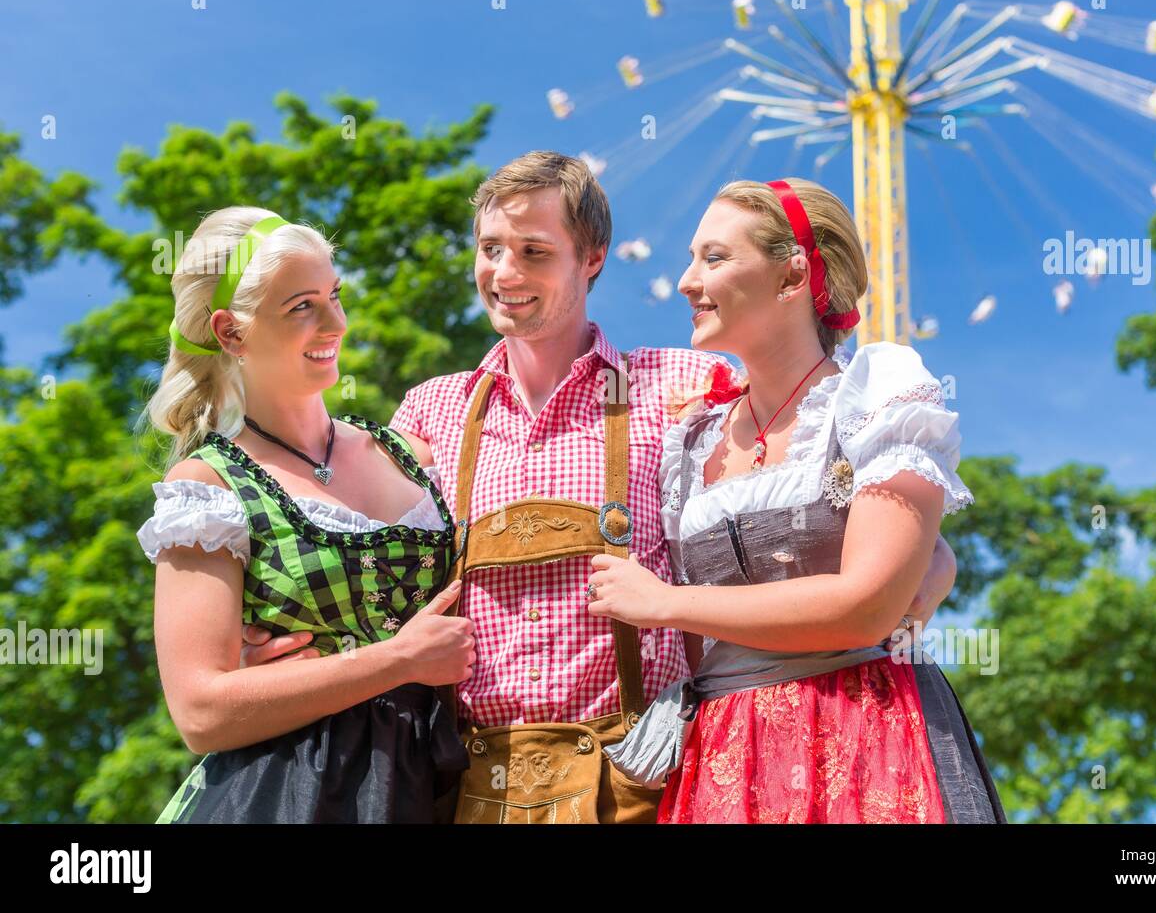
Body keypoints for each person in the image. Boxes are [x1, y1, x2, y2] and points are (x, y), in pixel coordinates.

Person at [243, 152, 958, 824]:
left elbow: (828, 482)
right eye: (490, 248)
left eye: (534, 252)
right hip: (468, 783)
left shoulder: (688, 385)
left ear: (592, 259)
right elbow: (356, 560)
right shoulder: (431, 411)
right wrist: (283, 645)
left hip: (640, 783)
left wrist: (918, 581)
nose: (504, 271)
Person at [591, 177, 1007, 823]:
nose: (684, 282)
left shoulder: (879, 394)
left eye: (714, 257)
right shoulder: (691, 441)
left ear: (791, 278)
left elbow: (867, 606)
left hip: (867, 736)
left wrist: (666, 603)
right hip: (726, 753)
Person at [136, 207, 474, 823]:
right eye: (303, 307)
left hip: (439, 785)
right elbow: (201, 712)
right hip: (290, 797)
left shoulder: (412, 455)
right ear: (230, 333)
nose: (335, 322)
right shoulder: (209, 487)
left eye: (335, 295)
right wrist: (397, 659)